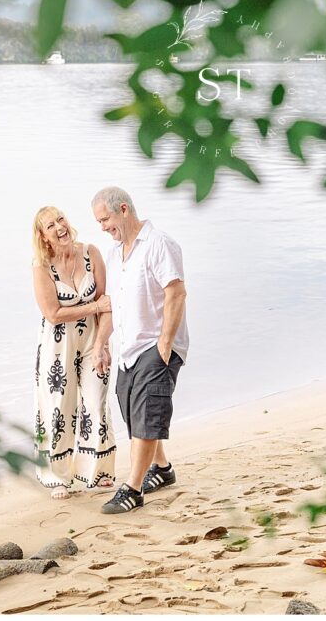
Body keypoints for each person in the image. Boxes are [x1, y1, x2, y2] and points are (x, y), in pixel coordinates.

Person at [91, 187, 189, 514]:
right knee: (133, 414)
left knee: (147, 413)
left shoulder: (159, 244)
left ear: (123, 209)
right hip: (127, 349)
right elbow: (113, 306)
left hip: (156, 344)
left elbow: (176, 293)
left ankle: (132, 488)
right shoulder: (115, 254)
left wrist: (164, 345)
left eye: (105, 219)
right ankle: (162, 469)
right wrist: (102, 343)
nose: (103, 227)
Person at [31, 206, 117, 500]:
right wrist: (93, 307)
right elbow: (53, 313)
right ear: (43, 237)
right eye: (50, 225)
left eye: (61, 219)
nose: (59, 227)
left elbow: (109, 303)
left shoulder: (91, 253)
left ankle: (99, 471)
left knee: (97, 402)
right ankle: (57, 477)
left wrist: (102, 344)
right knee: (59, 408)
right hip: (58, 347)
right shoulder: (41, 266)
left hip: (94, 339)